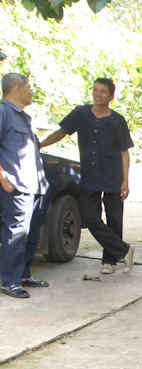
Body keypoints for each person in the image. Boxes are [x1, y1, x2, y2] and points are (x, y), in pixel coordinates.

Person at [40, 77, 134, 274]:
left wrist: (126, 180)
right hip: (90, 176)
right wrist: (40, 145)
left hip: (113, 176)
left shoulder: (118, 121)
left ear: (111, 96)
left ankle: (109, 261)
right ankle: (124, 250)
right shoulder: (81, 114)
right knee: (90, 218)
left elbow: (125, 153)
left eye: (103, 92)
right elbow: (61, 132)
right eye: (95, 90)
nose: (98, 94)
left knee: (114, 219)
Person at [0, 73, 50, 298]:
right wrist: (3, 179)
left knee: (31, 234)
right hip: (16, 186)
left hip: (36, 186)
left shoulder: (24, 117)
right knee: (16, 233)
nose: (31, 91)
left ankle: (23, 275)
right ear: (17, 88)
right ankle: (8, 280)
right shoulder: (3, 113)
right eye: (28, 87)